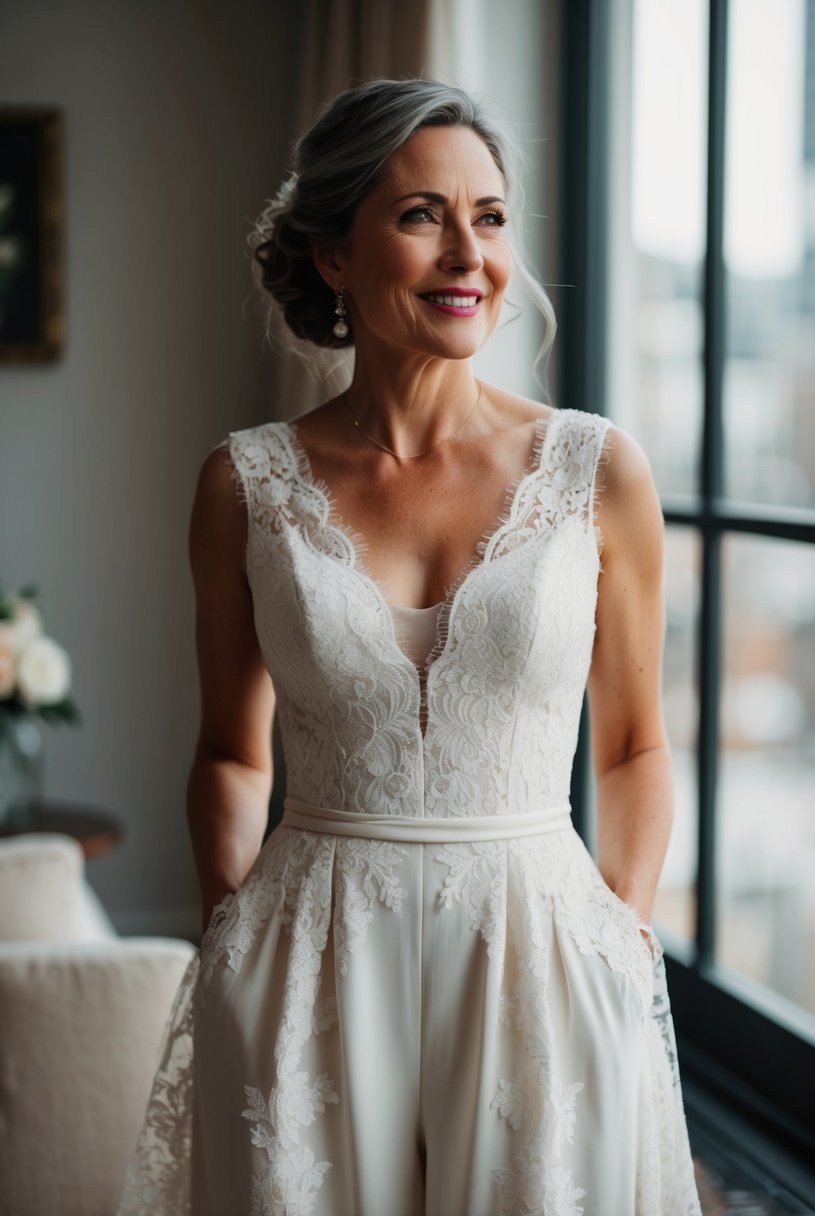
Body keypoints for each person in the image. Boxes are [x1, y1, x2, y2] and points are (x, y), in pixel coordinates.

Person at [118, 78, 702, 1215]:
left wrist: (616, 945)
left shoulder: (597, 471)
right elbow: (232, 754)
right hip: (307, 966)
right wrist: (231, 937)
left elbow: (633, 748)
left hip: (542, 959)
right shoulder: (242, 486)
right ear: (334, 254)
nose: (465, 254)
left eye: (487, 217)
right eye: (420, 214)